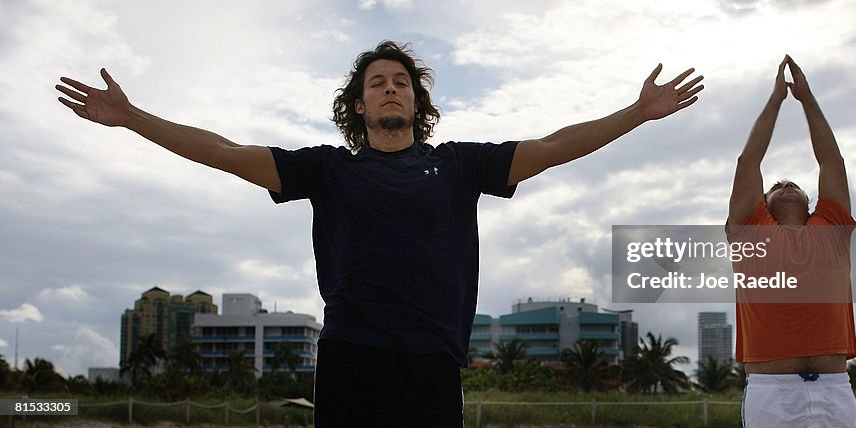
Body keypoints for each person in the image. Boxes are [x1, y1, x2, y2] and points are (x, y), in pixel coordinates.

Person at [56, 40, 705, 426]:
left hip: (430, 362)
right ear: (360, 104)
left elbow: (555, 146)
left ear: (417, 103)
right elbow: (226, 152)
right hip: (351, 356)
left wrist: (638, 114)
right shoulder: (328, 170)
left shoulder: (459, 165)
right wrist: (133, 116)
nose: (390, 89)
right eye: (377, 83)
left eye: (401, 82)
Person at [725, 56, 856, 428]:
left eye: (792, 184)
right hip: (772, 390)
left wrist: (807, 99)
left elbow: (832, 161)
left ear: (810, 202)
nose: (785, 186)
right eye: (776, 186)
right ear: (762, 205)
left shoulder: (832, 228)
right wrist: (776, 100)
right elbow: (748, 162)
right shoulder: (750, 231)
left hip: (834, 388)